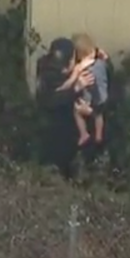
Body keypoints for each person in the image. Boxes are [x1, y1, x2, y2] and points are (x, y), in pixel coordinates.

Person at [36, 37, 94, 179]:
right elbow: (51, 99)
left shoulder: (54, 71)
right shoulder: (49, 75)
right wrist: (76, 87)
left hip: (68, 138)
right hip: (54, 137)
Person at [71, 33, 109, 147]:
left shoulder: (84, 67)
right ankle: (99, 135)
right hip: (103, 95)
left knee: (76, 111)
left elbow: (86, 83)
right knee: (99, 115)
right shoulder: (101, 62)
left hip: (91, 97)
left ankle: (83, 133)